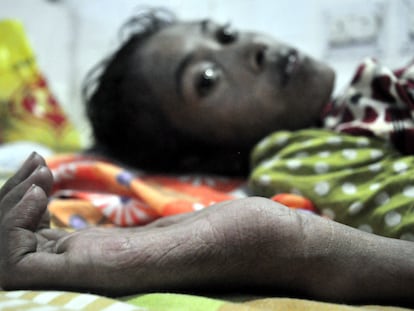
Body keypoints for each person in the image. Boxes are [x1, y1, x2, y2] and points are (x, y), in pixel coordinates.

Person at [0, 7, 413, 307]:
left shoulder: (365, 103)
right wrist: (287, 244)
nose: (253, 49)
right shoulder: (304, 160)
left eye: (227, 34)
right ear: (194, 157)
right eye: (207, 80)